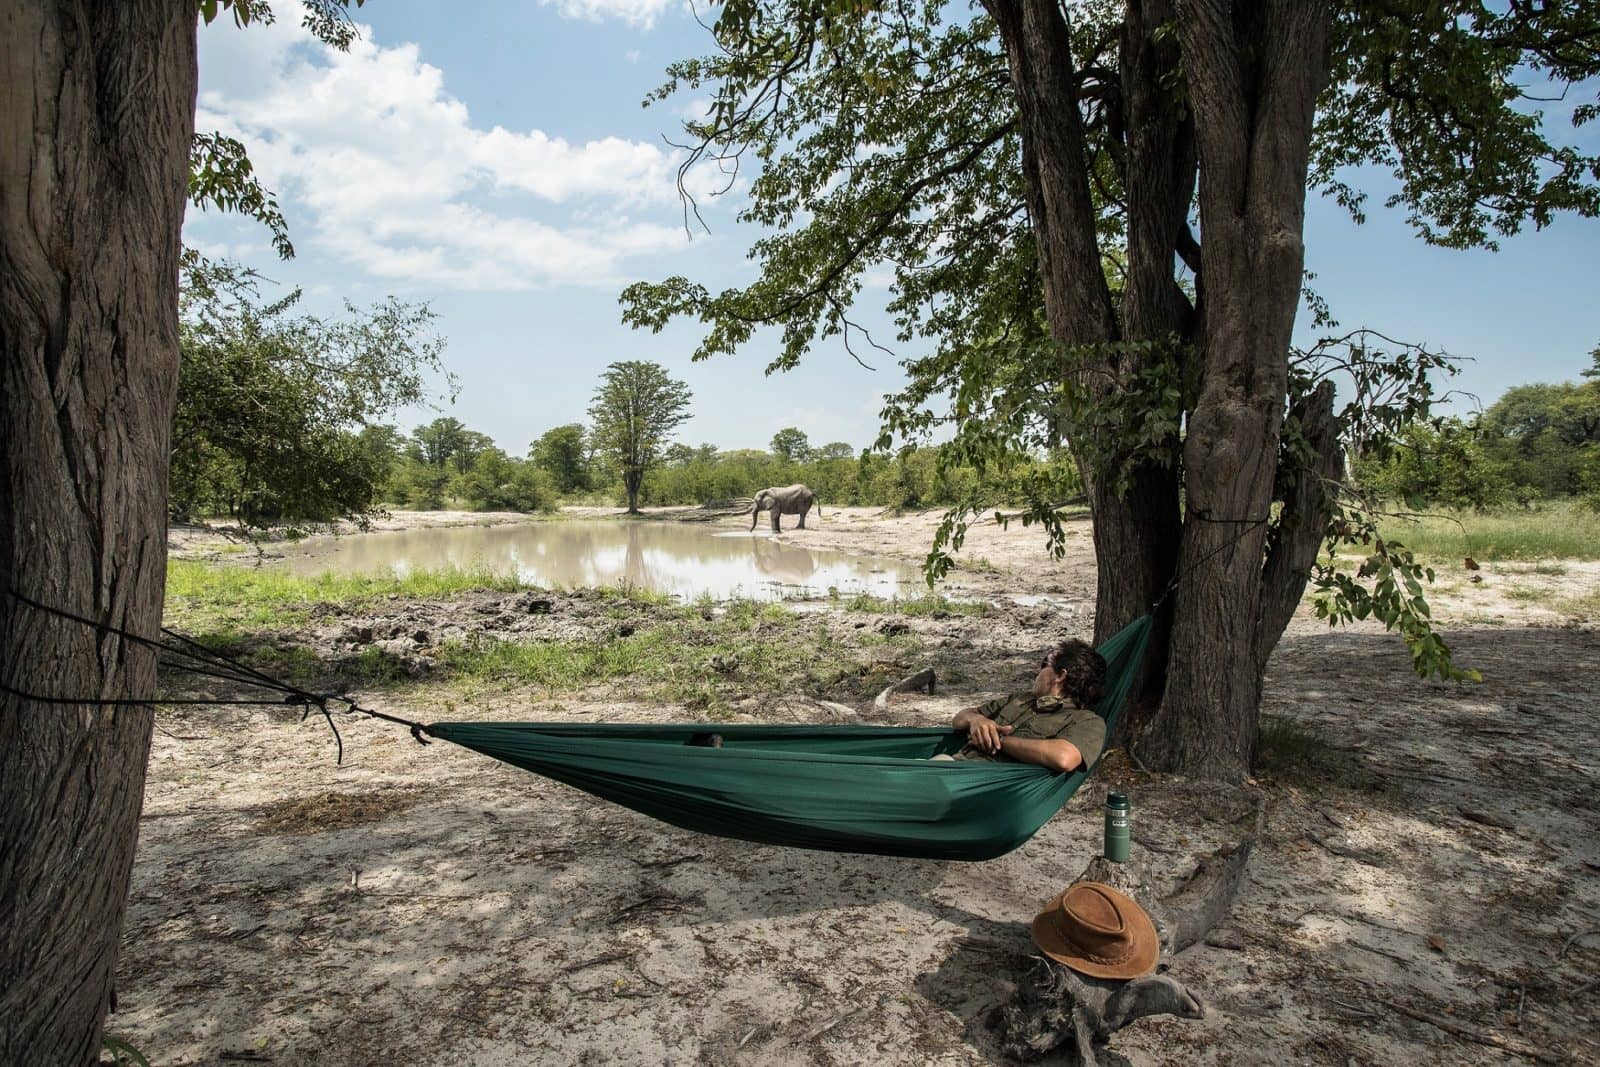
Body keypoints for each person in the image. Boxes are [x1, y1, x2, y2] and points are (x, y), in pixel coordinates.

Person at [943, 639, 1108, 772]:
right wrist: (976, 721)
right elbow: (959, 719)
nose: (1038, 672)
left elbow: (1064, 757)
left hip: (984, 783)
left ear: (1060, 675)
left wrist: (998, 741)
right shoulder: (1021, 699)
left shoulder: (1086, 721)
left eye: (1044, 664)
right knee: (919, 772)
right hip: (952, 766)